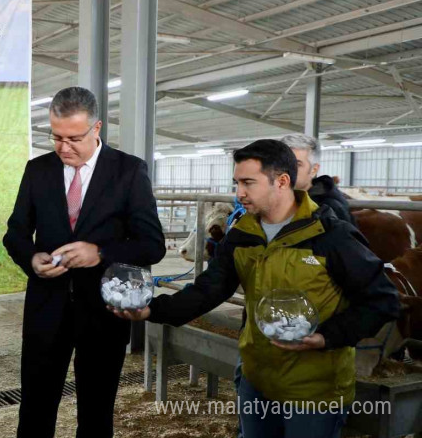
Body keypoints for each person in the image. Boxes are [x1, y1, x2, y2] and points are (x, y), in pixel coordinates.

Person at [118, 140, 401, 438]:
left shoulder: (331, 235)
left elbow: (382, 301)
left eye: (248, 182)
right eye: (237, 182)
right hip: (257, 378)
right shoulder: (243, 233)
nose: (239, 192)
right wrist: (153, 309)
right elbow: (209, 290)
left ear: (281, 181)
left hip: (314, 389)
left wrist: (326, 337)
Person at [2, 86, 166, 437]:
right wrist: (32, 258)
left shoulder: (128, 171)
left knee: (95, 409)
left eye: (74, 137)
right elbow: (15, 233)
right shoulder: (38, 170)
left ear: (97, 129)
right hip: (46, 307)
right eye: (56, 136)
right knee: (35, 406)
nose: (63, 147)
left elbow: (152, 245)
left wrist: (101, 253)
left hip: (104, 310)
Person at [280, 134, 356, 225]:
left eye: (297, 164)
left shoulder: (329, 210)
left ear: (313, 170)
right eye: (281, 163)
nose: (286, 170)